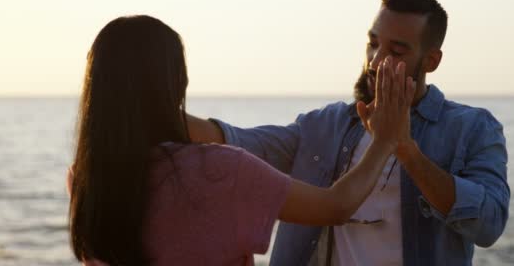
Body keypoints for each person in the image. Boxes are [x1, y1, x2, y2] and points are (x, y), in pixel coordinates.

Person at [187, 0, 510, 266]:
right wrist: (153, 110)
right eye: (372, 43)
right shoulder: (324, 125)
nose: (375, 60)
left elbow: (489, 224)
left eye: (396, 51)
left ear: (431, 61)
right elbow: (235, 142)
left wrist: (406, 150)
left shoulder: (473, 128)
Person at [66, 15, 416, 265]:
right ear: (177, 83)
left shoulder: (85, 179)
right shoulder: (217, 169)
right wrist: (384, 140)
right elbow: (335, 206)